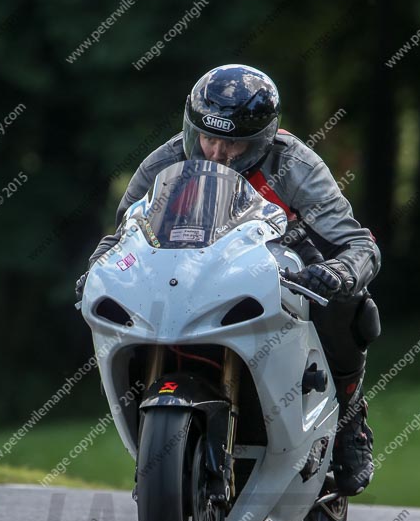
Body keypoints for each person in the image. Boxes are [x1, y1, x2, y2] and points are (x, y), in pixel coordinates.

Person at [76, 64, 381, 496]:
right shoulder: (162, 163)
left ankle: (349, 419)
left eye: (233, 144)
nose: (217, 152)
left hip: (278, 258)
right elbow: (121, 235)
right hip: (184, 271)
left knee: (352, 306)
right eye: (209, 137)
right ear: (192, 127)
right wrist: (97, 267)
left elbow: (359, 243)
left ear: (260, 140)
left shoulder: (295, 164)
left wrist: (341, 272)